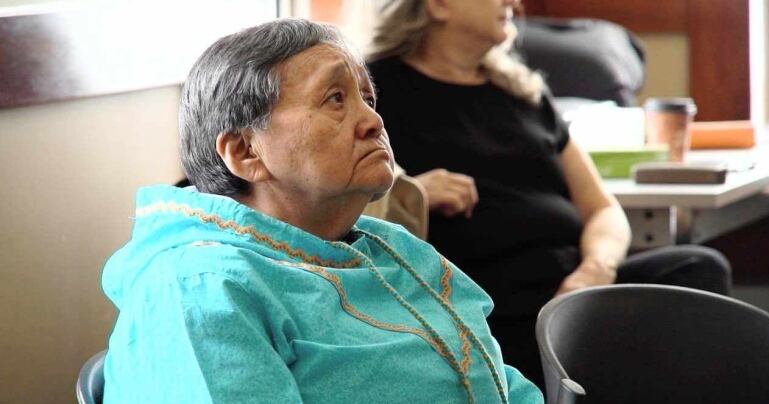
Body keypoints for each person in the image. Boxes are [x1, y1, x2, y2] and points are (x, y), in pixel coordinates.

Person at [101, 18, 542, 404]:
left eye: (367, 98)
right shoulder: (198, 289)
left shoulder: (395, 250)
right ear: (244, 151)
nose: (373, 120)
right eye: (335, 98)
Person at [367, 0, 731, 387]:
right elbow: (339, 203)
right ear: (438, 5)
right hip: (486, 308)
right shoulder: (377, 92)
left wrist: (593, 271)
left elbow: (603, 209)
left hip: (571, 289)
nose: (513, 2)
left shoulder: (524, 94)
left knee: (697, 268)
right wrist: (416, 192)